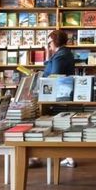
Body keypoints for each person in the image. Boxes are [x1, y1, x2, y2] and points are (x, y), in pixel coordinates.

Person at [30, 30, 76, 169]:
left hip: (55, 95)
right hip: (60, 94)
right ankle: (68, 157)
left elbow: (54, 76)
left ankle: (37, 156)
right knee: (59, 125)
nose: (48, 45)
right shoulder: (61, 54)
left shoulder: (60, 56)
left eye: (49, 42)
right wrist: (49, 56)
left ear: (55, 41)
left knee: (47, 123)